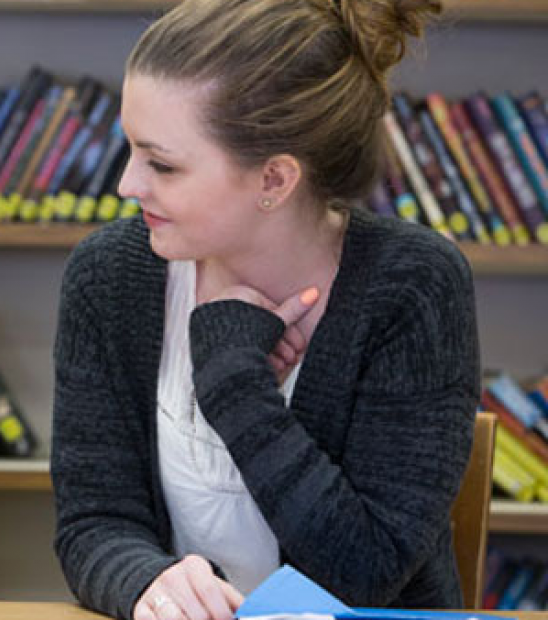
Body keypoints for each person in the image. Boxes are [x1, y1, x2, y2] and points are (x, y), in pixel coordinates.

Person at [51, 1, 479, 619]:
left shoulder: (413, 285)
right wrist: (145, 581)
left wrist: (233, 382)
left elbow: (368, 571)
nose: (127, 185)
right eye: (131, 150)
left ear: (275, 180)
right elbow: (93, 521)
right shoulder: (109, 275)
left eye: (162, 164)